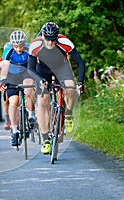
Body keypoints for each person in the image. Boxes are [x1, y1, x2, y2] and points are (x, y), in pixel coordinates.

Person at [28, 22, 85, 154]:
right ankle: (45, 139)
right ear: (42, 36)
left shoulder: (64, 42)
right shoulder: (35, 45)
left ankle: (69, 114)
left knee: (71, 89)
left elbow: (80, 62)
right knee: (43, 100)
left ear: (57, 37)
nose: (50, 43)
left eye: (53, 40)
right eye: (47, 40)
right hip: (42, 70)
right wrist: (40, 79)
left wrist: (80, 82)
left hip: (61, 67)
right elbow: (30, 68)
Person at [0, 30, 36, 146]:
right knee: (13, 102)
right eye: (16, 46)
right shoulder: (8, 51)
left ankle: (31, 116)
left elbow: (36, 65)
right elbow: (4, 67)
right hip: (12, 76)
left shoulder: (30, 49)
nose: (19, 49)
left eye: (21, 46)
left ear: (24, 43)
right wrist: (3, 81)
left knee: (28, 88)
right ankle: (14, 131)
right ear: (12, 45)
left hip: (26, 73)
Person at [0, 57, 11, 130]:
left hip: (18, 79)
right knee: (6, 100)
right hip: (6, 81)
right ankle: (7, 121)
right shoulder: (1, 60)